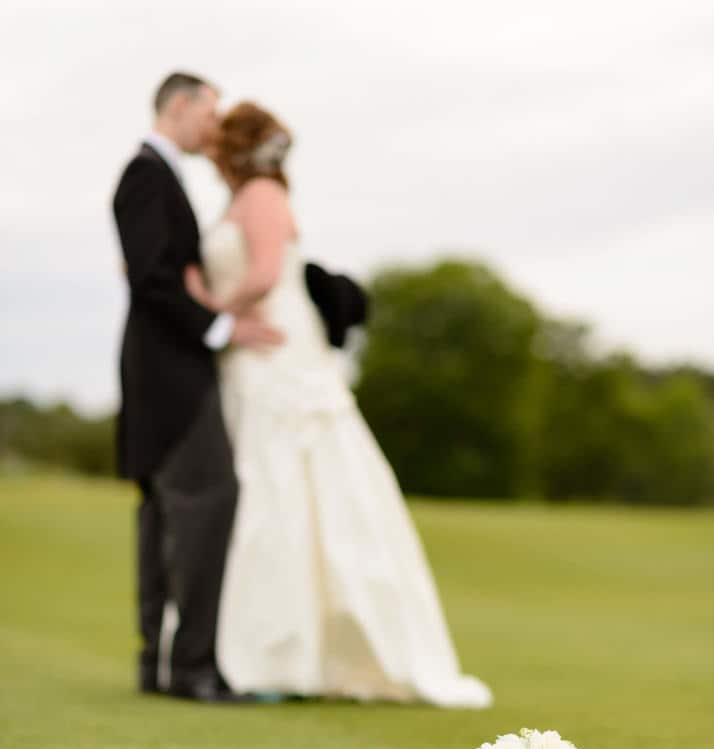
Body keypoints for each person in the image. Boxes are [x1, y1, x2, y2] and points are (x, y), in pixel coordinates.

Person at [188, 101, 491, 709]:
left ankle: (285, 654)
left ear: (234, 150)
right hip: (254, 355)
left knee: (284, 485)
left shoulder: (263, 196)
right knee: (262, 487)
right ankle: (273, 649)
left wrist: (203, 300)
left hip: (276, 351)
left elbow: (267, 273)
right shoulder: (248, 198)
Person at [112, 71, 283, 703]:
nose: (211, 127)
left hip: (163, 369)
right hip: (171, 374)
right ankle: (191, 669)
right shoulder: (145, 175)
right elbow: (154, 281)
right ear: (177, 105)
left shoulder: (155, 176)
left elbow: (151, 267)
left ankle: (160, 666)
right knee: (206, 499)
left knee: (166, 512)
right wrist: (220, 328)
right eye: (206, 113)